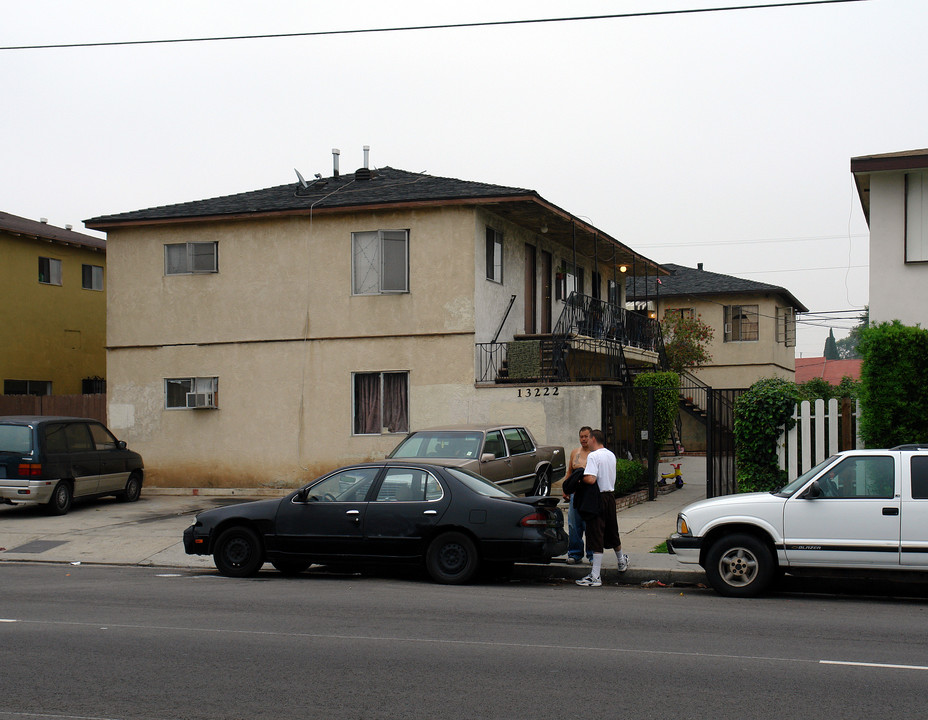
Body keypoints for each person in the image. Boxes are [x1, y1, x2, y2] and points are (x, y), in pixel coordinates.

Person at [576, 429, 628, 588]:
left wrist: (579, 477)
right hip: (610, 496)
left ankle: (595, 576)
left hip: (597, 498)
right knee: (612, 530)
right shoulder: (610, 455)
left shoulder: (593, 456)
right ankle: (621, 561)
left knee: (596, 533)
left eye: (588, 438)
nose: (586, 442)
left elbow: (591, 479)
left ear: (593, 439)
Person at [564, 426, 594, 564]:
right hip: (575, 495)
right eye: (581, 437)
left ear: (591, 437)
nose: (583, 439)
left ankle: (592, 554)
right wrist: (566, 490)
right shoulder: (575, 453)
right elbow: (569, 472)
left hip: (589, 496)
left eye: (586, 436)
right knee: (574, 525)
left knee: (590, 525)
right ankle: (575, 553)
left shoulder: (595, 454)